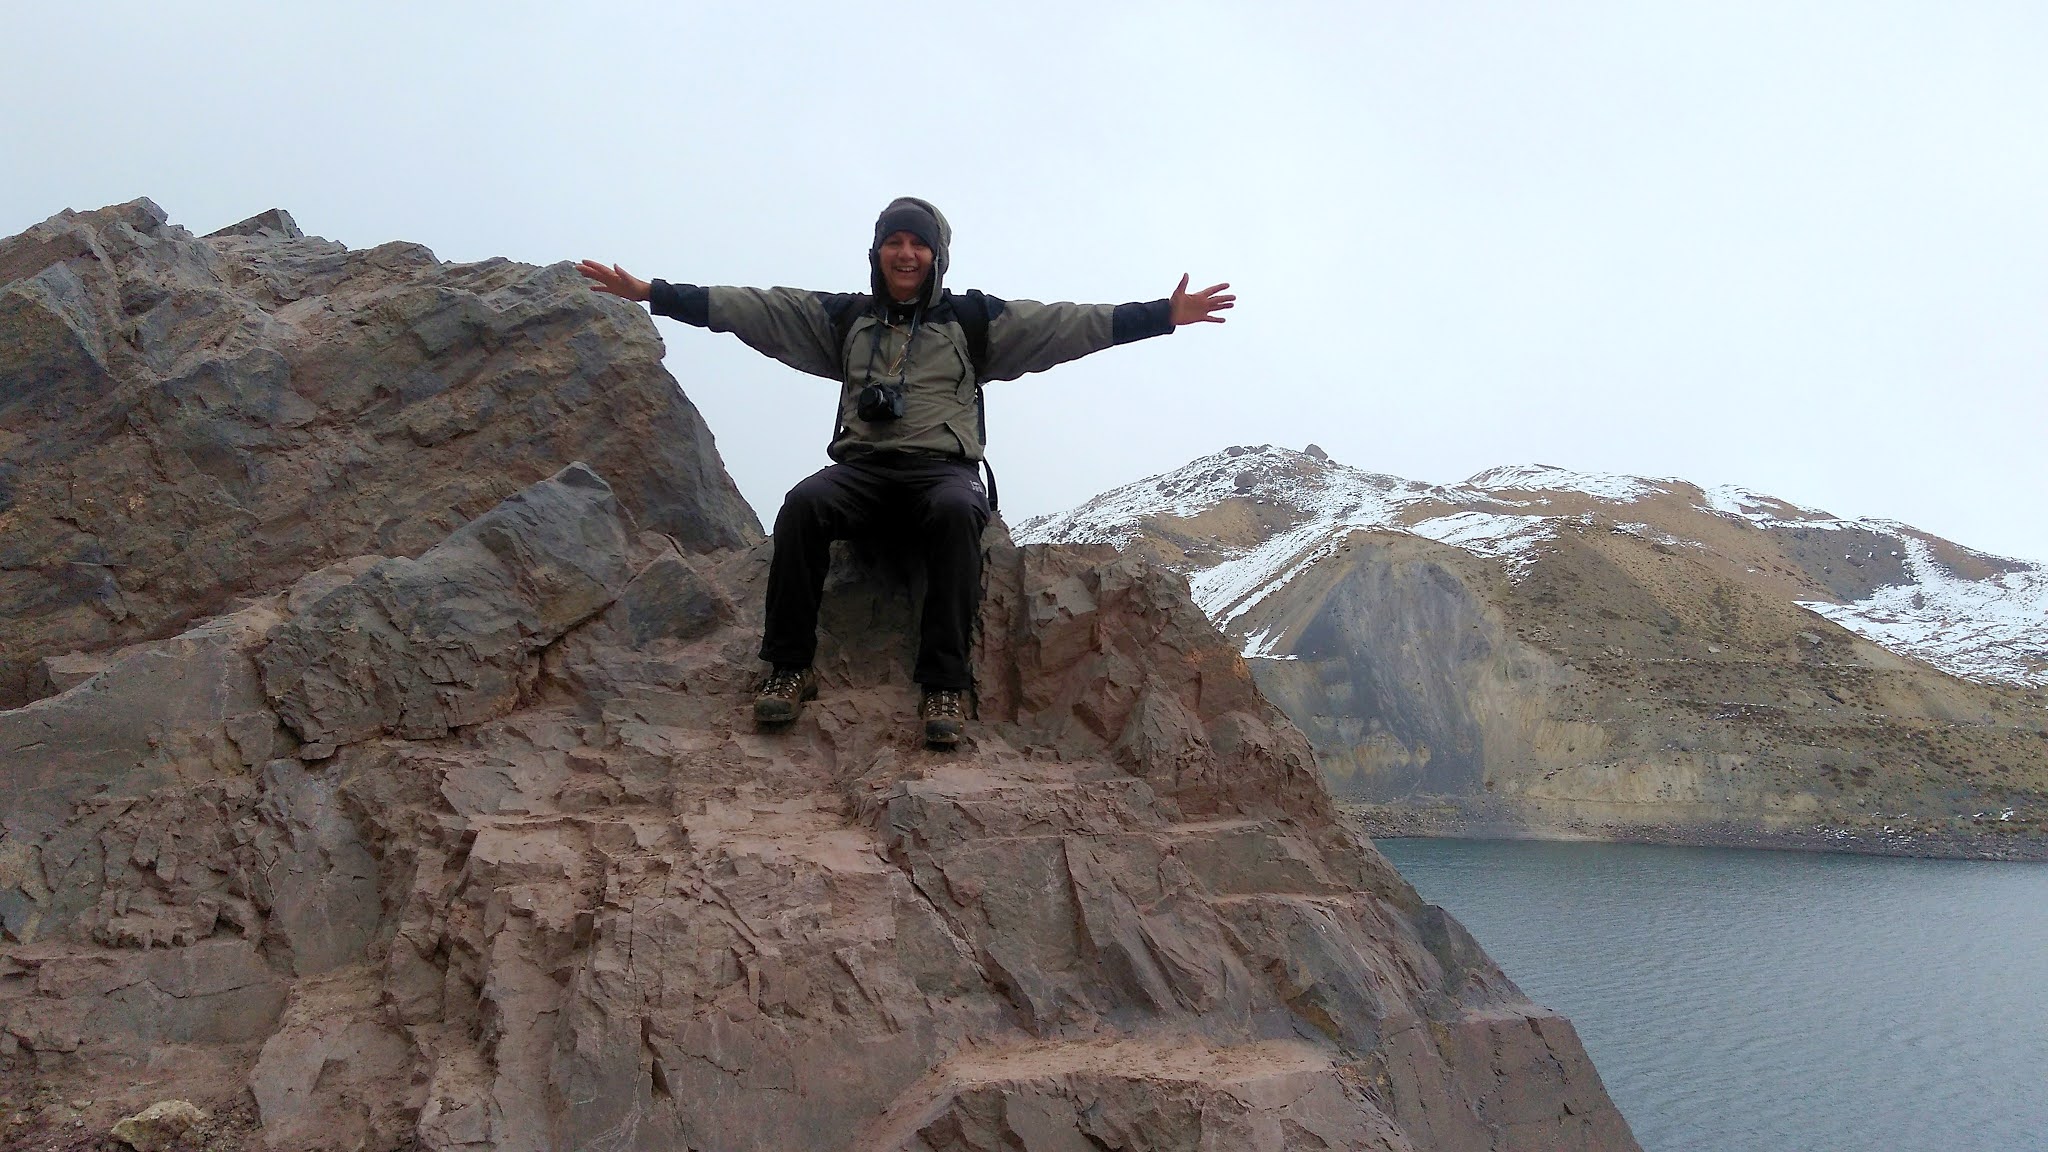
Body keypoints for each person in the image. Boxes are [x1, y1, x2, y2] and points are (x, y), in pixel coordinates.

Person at [579, 196, 1231, 748]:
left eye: (917, 244)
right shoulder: (844, 319)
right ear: (877, 253)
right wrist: (653, 295)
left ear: (936, 256)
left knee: (956, 514)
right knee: (803, 506)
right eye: (892, 242)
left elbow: (1068, 324)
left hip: (939, 474)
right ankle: (788, 669)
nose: (905, 253)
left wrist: (1161, 316)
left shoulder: (974, 322)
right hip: (861, 473)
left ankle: (945, 686)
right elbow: (756, 307)